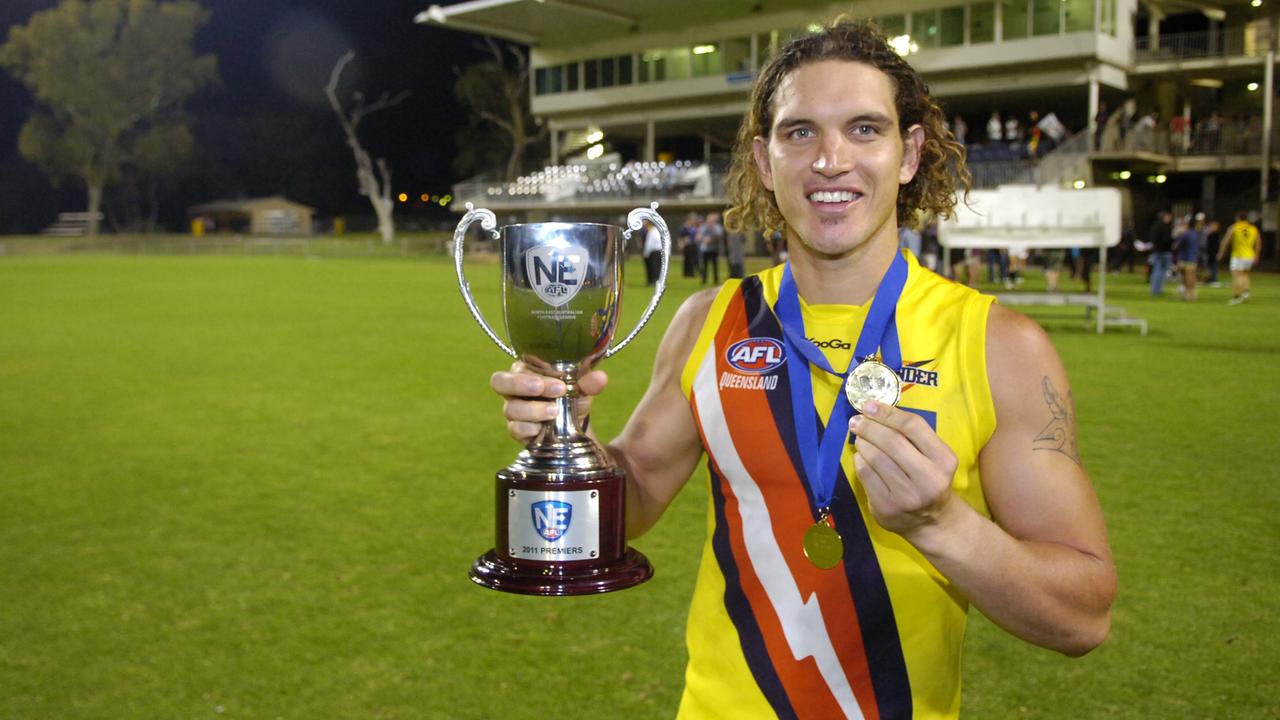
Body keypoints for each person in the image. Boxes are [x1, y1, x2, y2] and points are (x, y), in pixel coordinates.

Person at [491, 20, 1114, 719]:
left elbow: (1083, 617)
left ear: (909, 154)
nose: (830, 160)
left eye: (864, 129)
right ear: (763, 160)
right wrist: (565, 436)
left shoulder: (1000, 345)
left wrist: (942, 524)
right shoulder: (709, 321)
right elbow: (629, 502)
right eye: (800, 132)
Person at [1217, 211, 1261, 305]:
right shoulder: (1253, 228)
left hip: (1238, 256)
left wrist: (1221, 253)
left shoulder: (1234, 227)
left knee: (1237, 276)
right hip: (1250, 255)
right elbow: (1258, 243)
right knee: (1245, 274)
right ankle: (1246, 292)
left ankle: (1237, 296)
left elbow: (1225, 241)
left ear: (1238, 218)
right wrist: (1257, 255)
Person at [1147, 210, 1175, 296]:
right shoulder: (1165, 227)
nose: (1169, 218)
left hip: (1156, 251)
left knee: (1156, 271)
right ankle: (1157, 290)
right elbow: (1166, 239)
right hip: (1164, 252)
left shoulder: (1154, 226)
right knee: (1160, 272)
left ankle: (1154, 289)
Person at [698, 211, 726, 285]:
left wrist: (711, 238)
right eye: (709, 220)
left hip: (714, 249)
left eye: (712, 220)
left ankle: (716, 280)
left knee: (715, 265)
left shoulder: (717, 227)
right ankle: (704, 279)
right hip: (705, 249)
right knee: (704, 265)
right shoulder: (703, 227)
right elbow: (698, 236)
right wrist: (703, 239)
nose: (710, 221)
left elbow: (720, 235)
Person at [642, 218, 664, 286]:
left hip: (653, 252)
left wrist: (646, 253)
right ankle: (658, 281)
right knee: (658, 267)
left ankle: (652, 281)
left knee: (653, 268)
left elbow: (649, 244)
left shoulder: (651, 231)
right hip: (660, 251)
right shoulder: (659, 231)